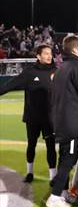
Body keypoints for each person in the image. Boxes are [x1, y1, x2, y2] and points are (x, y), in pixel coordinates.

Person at [46, 35, 78, 207]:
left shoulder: (62, 67)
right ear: (75, 49)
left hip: (62, 120)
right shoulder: (76, 66)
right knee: (69, 159)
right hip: (72, 122)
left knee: (64, 158)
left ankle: (62, 192)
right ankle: (55, 196)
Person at [0, 44, 57, 183]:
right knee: (31, 144)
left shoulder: (57, 72)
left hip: (50, 118)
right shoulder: (29, 72)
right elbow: (9, 85)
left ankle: (53, 177)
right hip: (32, 117)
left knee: (51, 146)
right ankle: (29, 172)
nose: (49, 56)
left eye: (50, 53)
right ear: (38, 56)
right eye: (46, 53)